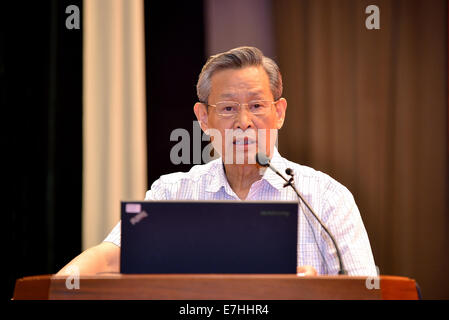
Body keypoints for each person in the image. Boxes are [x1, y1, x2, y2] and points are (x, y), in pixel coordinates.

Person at [57, 46, 376, 277]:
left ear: (279, 113)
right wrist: (60, 285)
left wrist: (314, 293)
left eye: (256, 106)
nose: (244, 122)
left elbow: (366, 290)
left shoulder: (327, 199)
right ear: (203, 118)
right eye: (227, 109)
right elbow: (110, 258)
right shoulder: (173, 193)